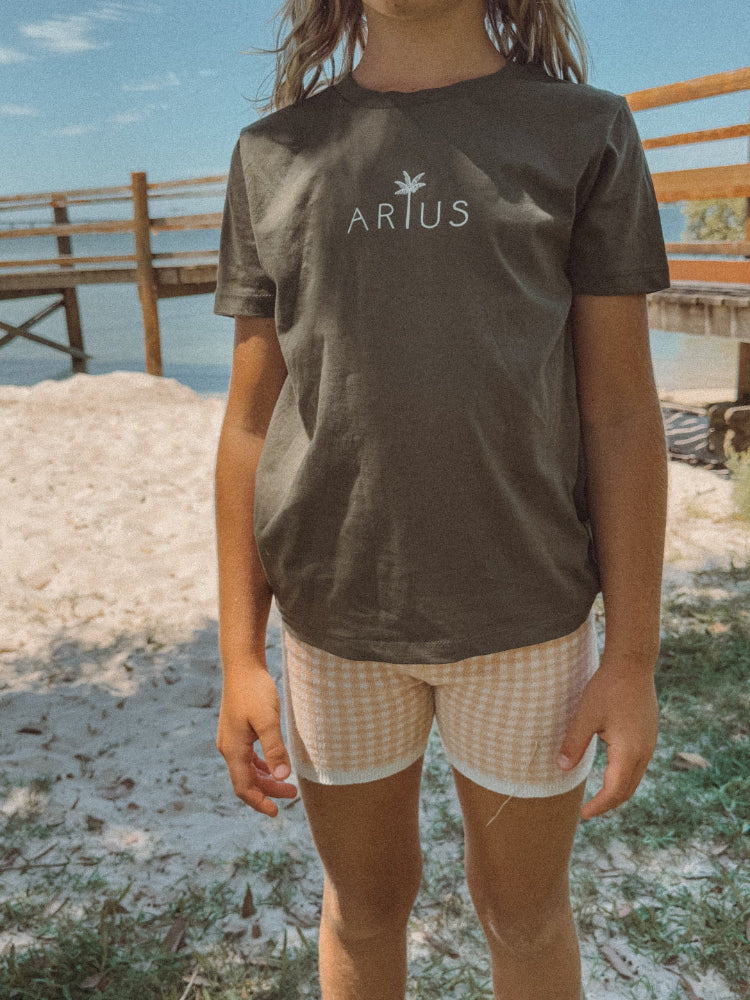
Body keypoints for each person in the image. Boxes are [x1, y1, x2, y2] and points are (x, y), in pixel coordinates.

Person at [212, 2, 670, 998]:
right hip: (337, 621)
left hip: (529, 619)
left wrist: (630, 657)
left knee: (525, 911)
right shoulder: (273, 154)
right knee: (366, 909)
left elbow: (625, 413)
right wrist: (241, 652)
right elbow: (250, 422)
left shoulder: (584, 131)